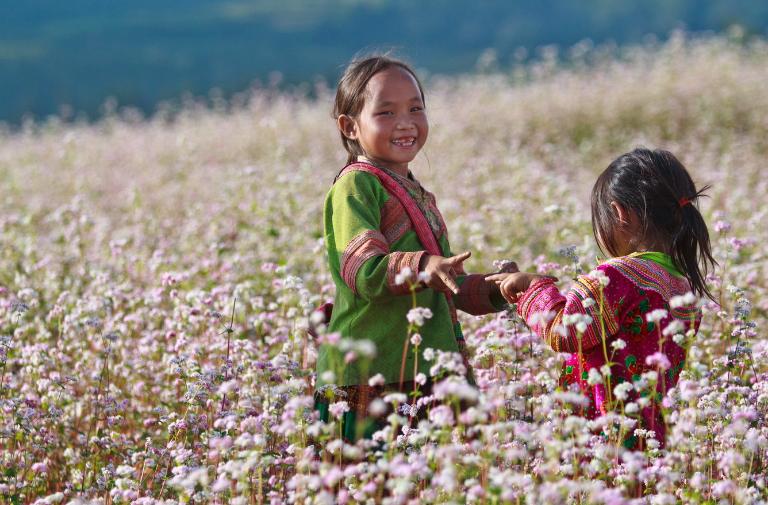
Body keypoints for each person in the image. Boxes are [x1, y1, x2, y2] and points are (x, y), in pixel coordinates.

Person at [316, 55, 508, 441]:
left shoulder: (414, 190)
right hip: (371, 378)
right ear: (349, 126)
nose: (405, 122)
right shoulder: (356, 186)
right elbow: (364, 270)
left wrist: (499, 287)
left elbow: (447, 284)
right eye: (386, 112)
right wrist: (424, 267)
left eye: (415, 108)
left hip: (424, 373)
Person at [488, 147, 716, 448]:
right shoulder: (682, 287)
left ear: (619, 213)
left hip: (600, 435)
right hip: (650, 438)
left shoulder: (616, 276)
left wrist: (533, 287)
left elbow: (566, 332)